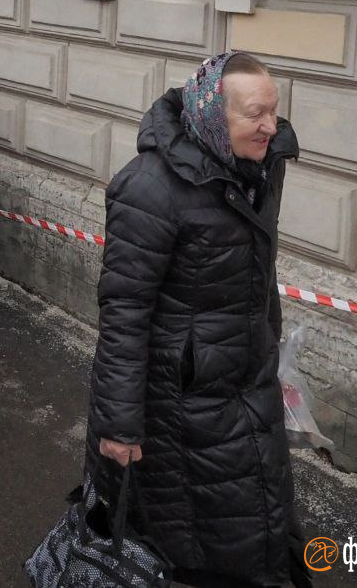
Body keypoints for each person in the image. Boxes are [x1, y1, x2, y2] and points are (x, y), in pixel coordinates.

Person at [86, 51, 306, 588]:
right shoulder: (150, 188)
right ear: (212, 114)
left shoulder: (258, 165)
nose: (270, 126)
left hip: (247, 381)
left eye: (273, 111)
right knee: (193, 535)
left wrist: (272, 352)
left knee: (260, 517)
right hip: (181, 402)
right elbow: (125, 312)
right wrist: (117, 424)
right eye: (255, 113)